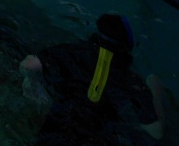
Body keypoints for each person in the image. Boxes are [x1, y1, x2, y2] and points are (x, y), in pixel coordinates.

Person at [20, 13, 164, 145]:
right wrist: (156, 92)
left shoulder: (71, 52)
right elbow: (156, 132)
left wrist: (32, 82)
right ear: (127, 47)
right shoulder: (132, 82)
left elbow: (29, 64)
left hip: (57, 130)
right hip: (98, 137)